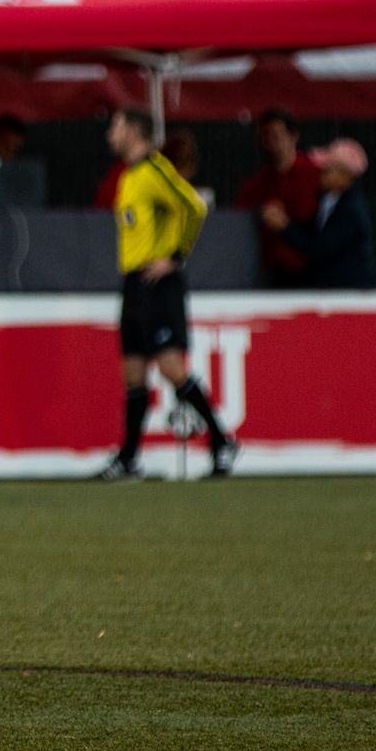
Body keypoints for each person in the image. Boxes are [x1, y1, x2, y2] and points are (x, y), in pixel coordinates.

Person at [96, 108, 239, 481]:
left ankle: (221, 440)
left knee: (171, 367)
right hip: (134, 281)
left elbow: (194, 205)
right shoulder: (129, 176)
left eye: (115, 125)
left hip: (158, 283)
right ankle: (129, 459)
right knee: (133, 372)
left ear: (134, 130)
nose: (110, 132)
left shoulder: (156, 169)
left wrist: (175, 257)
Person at [262, 138, 376, 288]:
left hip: (349, 296)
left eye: (327, 170)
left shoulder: (351, 212)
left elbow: (319, 250)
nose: (320, 173)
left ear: (346, 176)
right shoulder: (325, 199)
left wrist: (284, 227)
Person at [236, 108, 322, 288]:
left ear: (293, 136)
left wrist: (285, 226)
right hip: (269, 273)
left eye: (276, 136)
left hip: (311, 271)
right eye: (265, 137)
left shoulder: (314, 176)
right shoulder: (256, 185)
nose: (271, 143)